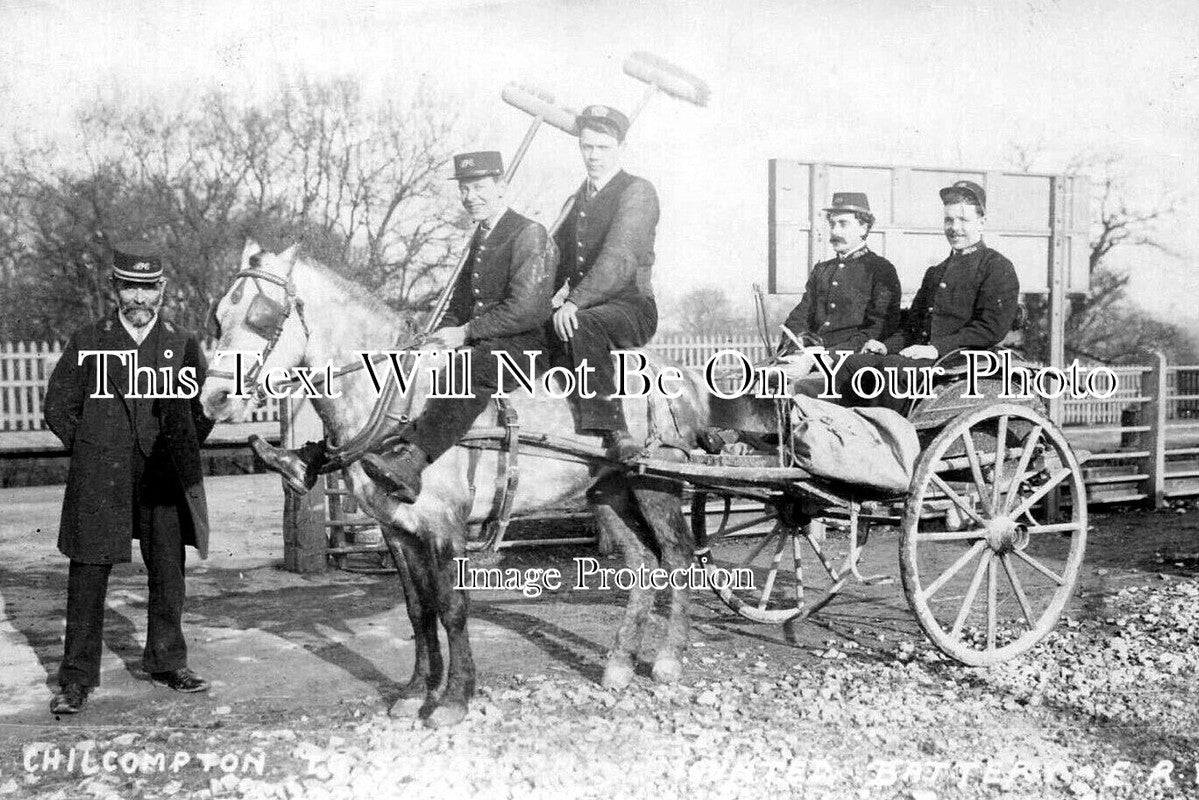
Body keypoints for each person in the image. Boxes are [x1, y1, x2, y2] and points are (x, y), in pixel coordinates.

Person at [251, 151, 556, 502]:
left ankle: (414, 460)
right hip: (482, 341)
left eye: (479, 188)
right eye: (465, 190)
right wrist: (438, 335)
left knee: (465, 370)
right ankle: (311, 460)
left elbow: (527, 309)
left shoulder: (528, 233)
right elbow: (459, 304)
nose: (471, 197)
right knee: (400, 373)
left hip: (522, 348)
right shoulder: (482, 237)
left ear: (501, 187)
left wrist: (465, 333)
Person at [43, 243, 214, 715]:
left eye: (148, 288)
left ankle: (167, 661)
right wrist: (95, 447)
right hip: (102, 474)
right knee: (88, 573)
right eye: (129, 288)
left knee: (167, 570)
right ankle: (76, 679)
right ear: (115, 290)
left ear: (161, 290)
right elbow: (58, 407)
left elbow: (203, 409)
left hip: (161, 474)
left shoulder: (182, 343)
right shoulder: (87, 340)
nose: (139, 298)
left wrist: (179, 449)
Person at [836, 180, 1020, 413]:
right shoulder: (936, 272)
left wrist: (936, 349)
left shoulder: (996, 267)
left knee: (893, 370)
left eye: (963, 220)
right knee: (852, 365)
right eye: (949, 220)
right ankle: (845, 437)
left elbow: (990, 329)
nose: (954, 228)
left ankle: (888, 442)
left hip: (962, 360)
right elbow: (912, 328)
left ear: (981, 223)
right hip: (925, 357)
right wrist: (885, 345)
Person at [549, 105, 660, 461]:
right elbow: (556, 263)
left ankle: (616, 430)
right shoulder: (574, 202)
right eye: (587, 147)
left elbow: (620, 258)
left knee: (582, 324)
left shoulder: (637, 192)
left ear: (621, 148)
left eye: (603, 148)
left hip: (631, 308)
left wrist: (573, 302)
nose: (593, 156)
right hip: (584, 306)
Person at [778, 192, 900, 355]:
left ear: (863, 228)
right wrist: (795, 345)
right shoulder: (822, 270)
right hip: (810, 356)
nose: (835, 231)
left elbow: (878, 327)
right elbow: (800, 316)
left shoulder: (881, 270)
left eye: (843, 224)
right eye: (832, 224)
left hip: (848, 361)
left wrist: (831, 355)